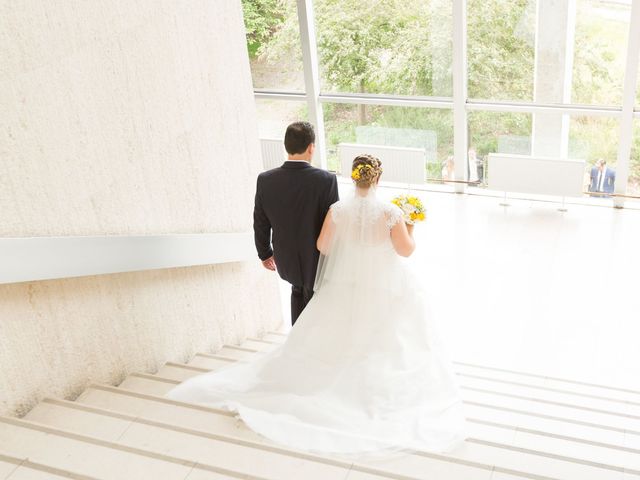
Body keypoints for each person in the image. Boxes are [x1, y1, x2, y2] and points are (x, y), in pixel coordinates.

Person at [166, 154, 468, 455]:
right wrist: (411, 226)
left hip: (345, 286)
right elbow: (405, 251)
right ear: (377, 178)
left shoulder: (337, 210)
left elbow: (323, 246)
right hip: (383, 287)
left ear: (354, 177)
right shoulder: (391, 213)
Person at [253, 121, 339, 325]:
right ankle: (310, 346)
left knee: (297, 291)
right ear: (311, 147)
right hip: (317, 259)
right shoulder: (326, 180)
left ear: (286, 146)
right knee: (315, 300)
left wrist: (264, 253)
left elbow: (260, 221)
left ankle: (297, 344)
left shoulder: (265, 180)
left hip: (287, 259)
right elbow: (334, 223)